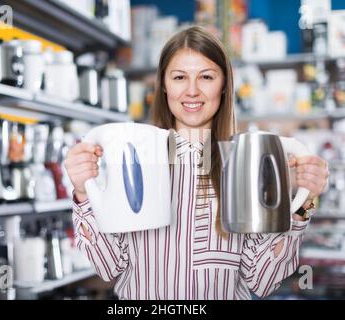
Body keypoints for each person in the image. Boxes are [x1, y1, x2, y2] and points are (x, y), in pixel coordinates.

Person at [64, 26, 329, 300]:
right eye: (179, 77)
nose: (192, 91)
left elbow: (261, 279)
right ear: (164, 86)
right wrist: (84, 193)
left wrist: (302, 206)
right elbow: (109, 267)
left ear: (224, 85)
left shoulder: (244, 164)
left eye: (206, 77)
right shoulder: (133, 158)